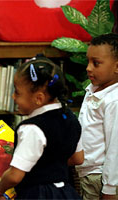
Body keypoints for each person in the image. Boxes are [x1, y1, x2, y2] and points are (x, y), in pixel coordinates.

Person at [0, 55, 83, 199]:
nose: (14, 97)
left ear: (38, 98)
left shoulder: (31, 128)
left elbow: (15, 176)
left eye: (18, 92)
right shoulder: (70, 117)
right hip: (66, 193)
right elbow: (78, 158)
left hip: (38, 195)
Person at [76, 33, 118, 200]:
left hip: (100, 176)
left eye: (96, 63)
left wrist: (109, 188)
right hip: (87, 173)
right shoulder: (93, 89)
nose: (88, 68)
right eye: (88, 61)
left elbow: (115, 147)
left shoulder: (114, 100)